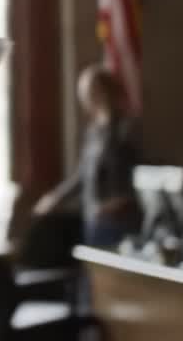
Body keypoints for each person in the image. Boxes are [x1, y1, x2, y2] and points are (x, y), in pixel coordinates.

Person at [34, 64, 141, 248]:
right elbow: (83, 174)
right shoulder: (93, 132)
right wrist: (55, 197)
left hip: (119, 221)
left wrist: (119, 202)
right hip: (94, 218)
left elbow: (135, 177)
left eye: (90, 91)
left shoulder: (125, 130)